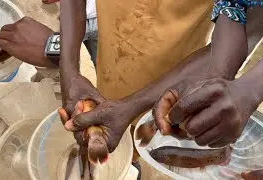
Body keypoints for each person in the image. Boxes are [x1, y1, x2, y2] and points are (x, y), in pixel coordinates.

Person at [58, 0, 263, 179]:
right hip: (112, 67)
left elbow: (248, 25)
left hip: (173, 84)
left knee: (148, 152)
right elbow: (233, 10)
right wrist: (68, 70)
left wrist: (248, 88)